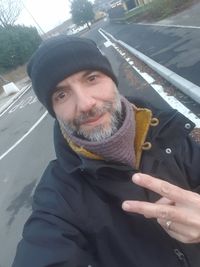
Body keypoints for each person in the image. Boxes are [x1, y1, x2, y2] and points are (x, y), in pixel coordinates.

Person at [12, 35, 200, 267]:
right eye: (61, 95)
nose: (85, 104)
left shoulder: (166, 130)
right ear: (54, 112)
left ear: (112, 80)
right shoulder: (59, 196)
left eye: (91, 78)